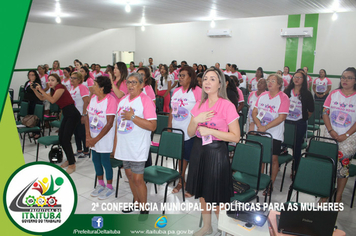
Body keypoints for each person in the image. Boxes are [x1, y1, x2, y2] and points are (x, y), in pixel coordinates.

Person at [186, 67, 240, 236]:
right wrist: (196, 120)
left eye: (212, 79)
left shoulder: (227, 105)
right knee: (202, 192)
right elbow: (189, 132)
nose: (207, 82)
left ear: (220, 84)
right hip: (199, 151)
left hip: (216, 153)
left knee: (217, 198)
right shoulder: (199, 104)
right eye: (205, 79)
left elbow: (236, 137)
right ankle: (207, 226)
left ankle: (225, 230)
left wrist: (211, 131)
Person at [114, 72, 157, 214]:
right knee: (130, 176)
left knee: (138, 179)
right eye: (129, 82)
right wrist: (115, 146)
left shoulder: (146, 101)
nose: (131, 85)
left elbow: (152, 126)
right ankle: (137, 202)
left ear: (141, 84)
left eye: (134, 82)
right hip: (124, 145)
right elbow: (117, 124)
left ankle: (144, 207)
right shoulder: (123, 101)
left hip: (138, 146)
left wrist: (132, 117)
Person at [32, 73, 81, 174]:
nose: (50, 82)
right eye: (49, 80)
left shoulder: (60, 87)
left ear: (58, 81)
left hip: (73, 114)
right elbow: (42, 98)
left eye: (52, 80)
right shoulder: (54, 90)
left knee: (66, 139)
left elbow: (53, 101)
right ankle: (70, 158)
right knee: (61, 138)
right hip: (67, 114)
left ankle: (72, 164)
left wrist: (41, 90)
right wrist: (34, 90)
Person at [251, 74, 290, 195]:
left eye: (273, 81)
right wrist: (259, 125)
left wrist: (266, 127)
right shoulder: (263, 95)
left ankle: (271, 184)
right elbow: (255, 111)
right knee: (261, 157)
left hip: (274, 134)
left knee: (273, 159)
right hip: (261, 131)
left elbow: (282, 117)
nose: (270, 83)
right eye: (269, 80)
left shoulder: (284, 98)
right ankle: (260, 180)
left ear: (279, 84)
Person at [323, 67, 356, 203]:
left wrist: (346, 134)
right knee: (327, 164)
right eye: (343, 77)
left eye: (349, 78)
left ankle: (338, 197)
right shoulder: (334, 94)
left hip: (349, 136)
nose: (345, 80)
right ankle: (325, 193)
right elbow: (325, 112)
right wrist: (331, 131)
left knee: (342, 167)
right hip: (331, 132)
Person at [169, 66, 202, 197]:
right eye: (179, 75)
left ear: (191, 77)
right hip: (177, 129)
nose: (180, 78)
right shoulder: (176, 91)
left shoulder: (197, 91)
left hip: (190, 132)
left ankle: (192, 185)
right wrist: (170, 127)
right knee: (181, 158)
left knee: (192, 159)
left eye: (183, 75)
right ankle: (181, 180)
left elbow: (201, 111)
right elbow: (172, 112)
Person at [86, 76, 117, 199]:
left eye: (94, 85)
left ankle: (109, 187)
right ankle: (100, 184)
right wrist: (88, 136)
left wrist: (95, 139)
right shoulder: (93, 98)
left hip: (105, 138)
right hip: (93, 137)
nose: (92, 87)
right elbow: (87, 118)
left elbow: (109, 123)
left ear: (101, 88)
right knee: (95, 161)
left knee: (105, 162)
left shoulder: (110, 100)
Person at [284, 71, 314, 175]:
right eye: (295, 77)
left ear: (304, 80)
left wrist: (302, 118)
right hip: (286, 122)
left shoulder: (307, 93)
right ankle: (278, 164)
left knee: (296, 147)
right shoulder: (287, 91)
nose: (296, 79)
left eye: (299, 77)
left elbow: (310, 110)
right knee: (282, 144)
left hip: (299, 124)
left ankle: (295, 169)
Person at [69, 72, 90, 158]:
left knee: (82, 133)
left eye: (74, 78)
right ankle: (79, 150)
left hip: (81, 113)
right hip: (74, 114)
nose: (71, 80)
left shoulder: (82, 87)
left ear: (78, 79)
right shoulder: (72, 88)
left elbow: (86, 101)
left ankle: (86, 151)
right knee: (76, 133)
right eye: (71, 78)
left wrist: (84, 114)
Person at [23, 70, 43, 139]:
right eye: (29, 75)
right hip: (29, 102)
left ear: (35, 76)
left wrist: (32, 84)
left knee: (36, 117)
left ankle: (37, 132)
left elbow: (37, 92)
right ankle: (33, 131)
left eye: (32, 75)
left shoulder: (36, 83)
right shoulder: (27, 83)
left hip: (35, 101)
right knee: (30, 117)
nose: (31, 76)